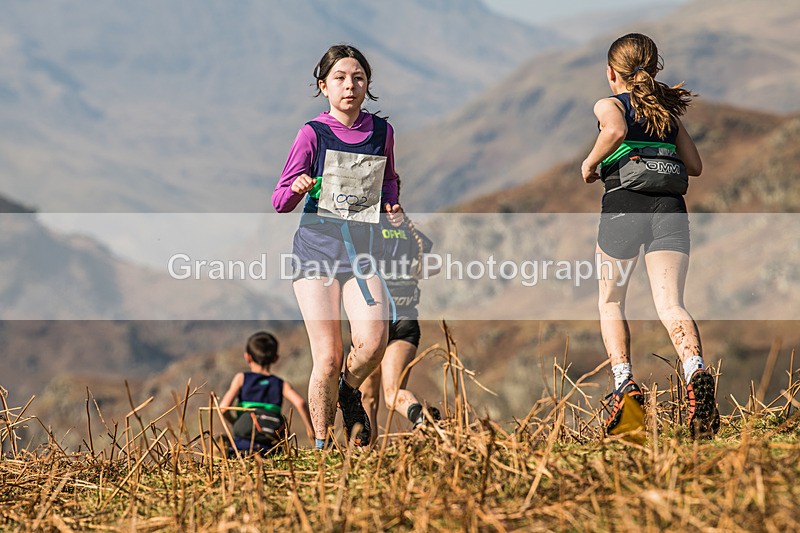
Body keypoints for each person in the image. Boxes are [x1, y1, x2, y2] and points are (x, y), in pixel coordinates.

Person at [580, 33, 720, 439]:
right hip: (669, 210)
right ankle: (696, 374)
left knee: (610, 300)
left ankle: (625, 389)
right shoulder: (666, 115)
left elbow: (615, 130)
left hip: (624, 208)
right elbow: (694, 166)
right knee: (671, 303)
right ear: (654, 69)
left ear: (611, 73)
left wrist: (589, 164)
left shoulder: (608, 104)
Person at [272, 44, 403, 449]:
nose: (350, 85)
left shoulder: (381, 131)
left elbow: (390, 179)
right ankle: (323, 445)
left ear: (368, 85)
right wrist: (297, 187)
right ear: (323, 86)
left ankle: (349, 391)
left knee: (374, 342)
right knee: (327, 358)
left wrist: (392, 206)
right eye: (341, 78)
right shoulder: (312, 134)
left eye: (359, 78)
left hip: (363, 254)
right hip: (316, 255)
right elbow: (279, 200)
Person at [360, 213, 441, 442]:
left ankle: (366, 456)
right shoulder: (408, 230)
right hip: (406, 321)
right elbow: (433, 263)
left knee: (368, 395)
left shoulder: (367, 227)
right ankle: (421, 417)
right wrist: (409, 273)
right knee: (391, 393)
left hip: (372, 320)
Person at [219, 331, 314, 454]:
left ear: (247, 357)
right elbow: (300, 402)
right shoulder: (281, 383)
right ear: (275, 359)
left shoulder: (241, 378)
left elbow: (223, 408)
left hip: (246, 431)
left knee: (232, 450)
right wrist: (311, 430)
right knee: (274, 453)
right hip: (273, 434)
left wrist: (235, 423)